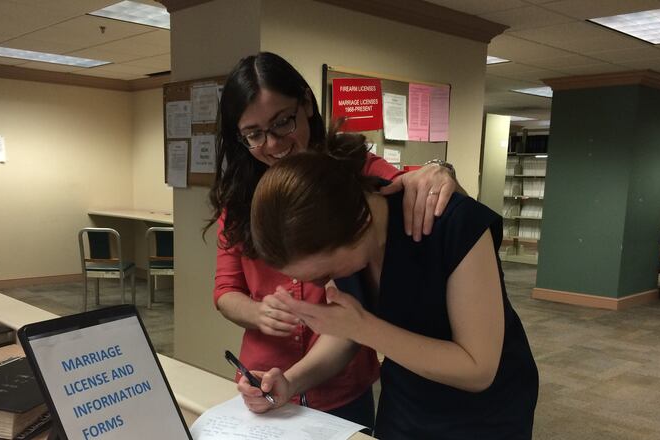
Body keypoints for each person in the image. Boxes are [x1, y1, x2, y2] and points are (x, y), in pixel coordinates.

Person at [206, 52, 460, 429]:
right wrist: (259, 313)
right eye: (254, 134)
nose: (273, 145)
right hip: (265, 377)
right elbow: (225, 290)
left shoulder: (351, 173)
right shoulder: (240, 200)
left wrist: (439, 172)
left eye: (283, 123)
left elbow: (407, 188)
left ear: (306, 104)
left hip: (342, 381)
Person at [244, 130, 539, 439]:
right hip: (406, 404)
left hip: (485, 416)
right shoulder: (348, 245)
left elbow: (478, 368)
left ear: (359, 223)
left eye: (323, 273)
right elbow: (346, 337)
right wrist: (291, 382)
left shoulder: (451, 223)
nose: (322, 283)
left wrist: (363, 327)